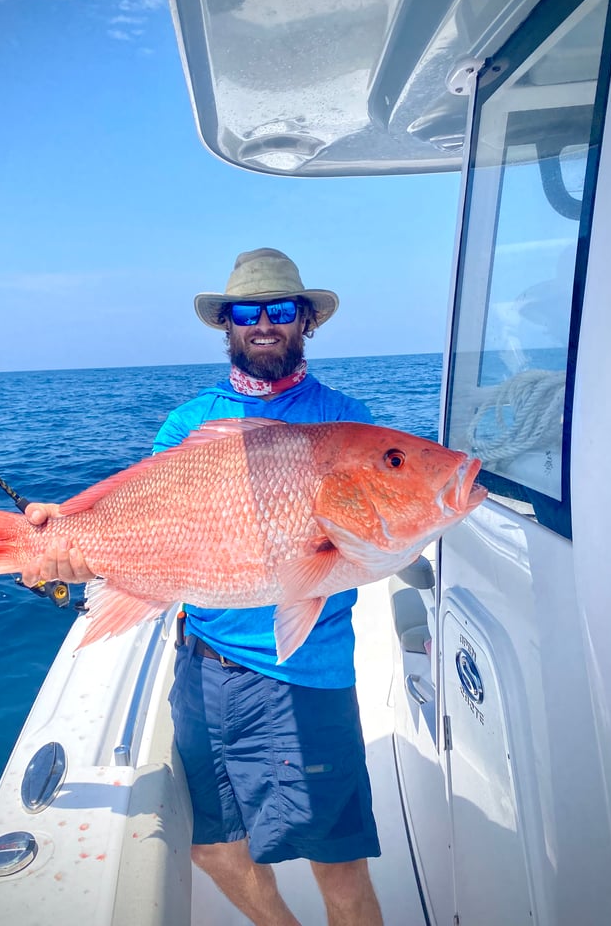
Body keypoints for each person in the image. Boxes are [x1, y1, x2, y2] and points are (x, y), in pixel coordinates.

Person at [21, 248, 384, 926]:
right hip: (203, 668)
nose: (265, 323)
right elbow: (145, 512)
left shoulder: (346, 420)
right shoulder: (188, 423)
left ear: (307, 320)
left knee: (337, 865)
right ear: (227, 324)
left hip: (304, 671)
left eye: (282, 309)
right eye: (249, 311)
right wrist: (67, 534)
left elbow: (373, 527)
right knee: (211, 845)